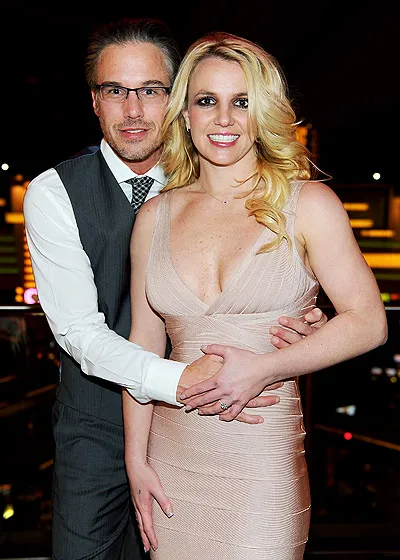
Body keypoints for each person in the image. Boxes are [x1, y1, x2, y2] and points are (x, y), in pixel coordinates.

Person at [23, 19, 326, 560]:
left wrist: (300, 313)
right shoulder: (54, 192)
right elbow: (79, 332)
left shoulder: (218, 173)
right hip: (96, 428)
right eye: (115, 91)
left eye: (150, 90)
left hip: (220, 421)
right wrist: (178, 380)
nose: (133, 110)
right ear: (94, 100)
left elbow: (284, 273)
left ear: (178, 98)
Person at [122, 31, 388, 559]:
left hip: (261, 458)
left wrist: (268, 366)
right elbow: (143, 345)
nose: (224, 119)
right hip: (171, 457)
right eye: (207, 101)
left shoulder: (309, 204)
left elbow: (368, 321)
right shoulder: (154, 216)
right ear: (185, 114)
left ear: (262, 113)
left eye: (241, 102)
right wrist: (135, 459)